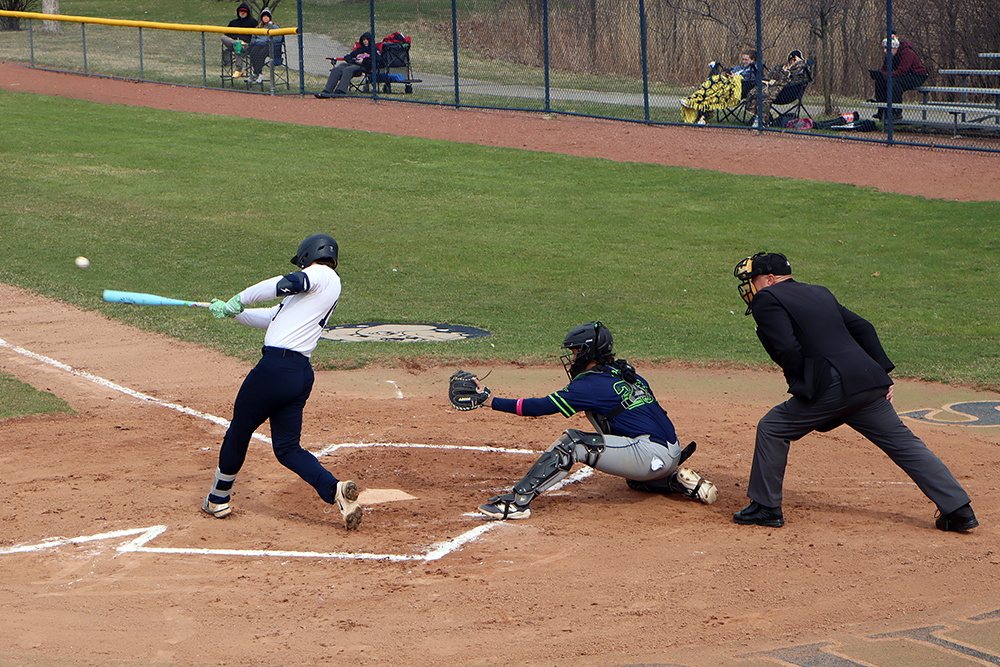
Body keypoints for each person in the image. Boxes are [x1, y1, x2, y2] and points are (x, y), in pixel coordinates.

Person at [731, 252, 978, 532]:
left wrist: (805, 384)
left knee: (773, 427)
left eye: (753, 280)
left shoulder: (768, 298)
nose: (751, 287)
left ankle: (766, 509)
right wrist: (882, 374)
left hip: (832, 386)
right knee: (904, 444)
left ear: (771, 278)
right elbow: (863, 328)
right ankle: (959, 510)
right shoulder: (819, 292)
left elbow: (786, 348)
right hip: (867, 382)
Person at [471, 321, 718, 520]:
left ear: (588, 352)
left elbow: (541, 406)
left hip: (649, 454)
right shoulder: (626, 373)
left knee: (573, 443)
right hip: (669, 450)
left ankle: (517, 503)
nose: (572, 357)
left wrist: (490, 401)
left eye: (576, 351)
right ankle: (676, 481)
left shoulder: (590, 384)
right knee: (633, 479)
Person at [201, 234, 363, 530]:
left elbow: (278, 285)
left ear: (308, 255)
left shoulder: (320, 275)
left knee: (240, 428)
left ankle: (218, 498)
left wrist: (241, 297)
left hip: (275, 370)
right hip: (298, 374)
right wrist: (232, 311)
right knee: (287, 449)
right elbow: (272, 318)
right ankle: (335, 490)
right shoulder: (318, 290)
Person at [681, 49, 757, 125]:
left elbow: (746, 80)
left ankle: (699, 111)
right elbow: (728, 71)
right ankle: (695, 103)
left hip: (733, 91)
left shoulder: (754, 70)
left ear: (753, 60)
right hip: (721, 86)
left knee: (713, 95)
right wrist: (725, 73)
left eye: (746, 59)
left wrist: (734, 77)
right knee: (709, 91)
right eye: (743, 59)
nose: (744, 61)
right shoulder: (737, 68)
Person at [868, 33, 927, 121]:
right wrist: (880, 76)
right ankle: (882, 111)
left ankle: (896, 111)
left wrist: (884, 75)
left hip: (917, 76)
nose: (885, 51)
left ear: (894, 47)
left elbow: (902, 71)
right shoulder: (889, 55)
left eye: (887, 48)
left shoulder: (907, 52)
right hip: (903, 75)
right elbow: (884, 69)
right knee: (880, 82)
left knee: (894, 82)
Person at [745, 50, 810, 128]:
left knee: (765, 95)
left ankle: (762, 120)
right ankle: (758, 116)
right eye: (790, 60)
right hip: (771, 86)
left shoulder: (800, 68)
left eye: (793, 60)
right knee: (755, 92)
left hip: (786, 91)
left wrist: (782, 76)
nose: (791, 62)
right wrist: (768, 81)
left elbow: (791, 79)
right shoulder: (782, 67)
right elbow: (770, 75)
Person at [315, 32, 374, 98]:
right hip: (352, 64)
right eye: (363, 40)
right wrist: (353, 60)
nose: (365, 41)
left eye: (367, 39)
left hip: (363, 66)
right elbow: (348, 57)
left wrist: (363, 61)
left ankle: (341, 91)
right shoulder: (359, 49)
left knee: (347, 70)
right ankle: (327, 91)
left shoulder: (374, 50)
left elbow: (378, 60)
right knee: (336, 69)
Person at [221, 2, 257, 79]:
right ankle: (238, 43)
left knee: (238, 47)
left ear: (248, 12)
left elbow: (256, 35)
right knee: (223, 38)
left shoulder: (252, 22)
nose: (242, 12)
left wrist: (247, 43)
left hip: (247, 46)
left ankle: (238, 69)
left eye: (244, 11)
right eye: (241, 11)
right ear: (238, 12)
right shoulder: (233, 22)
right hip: (233, 44)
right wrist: (237, 40)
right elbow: (227, 34)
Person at [246, 8, 280, 85]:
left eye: (267, 16)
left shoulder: (274, 27)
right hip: (258, 45)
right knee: (253, 52)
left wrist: (268, 41)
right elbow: (253, 38)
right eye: (264, 16)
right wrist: (254, 43)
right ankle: (257, 74)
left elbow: (278, 38)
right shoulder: (258, 27)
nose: (265, 18)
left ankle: (257, 74)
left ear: (270, 18)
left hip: (269, 46)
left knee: (261, 54)